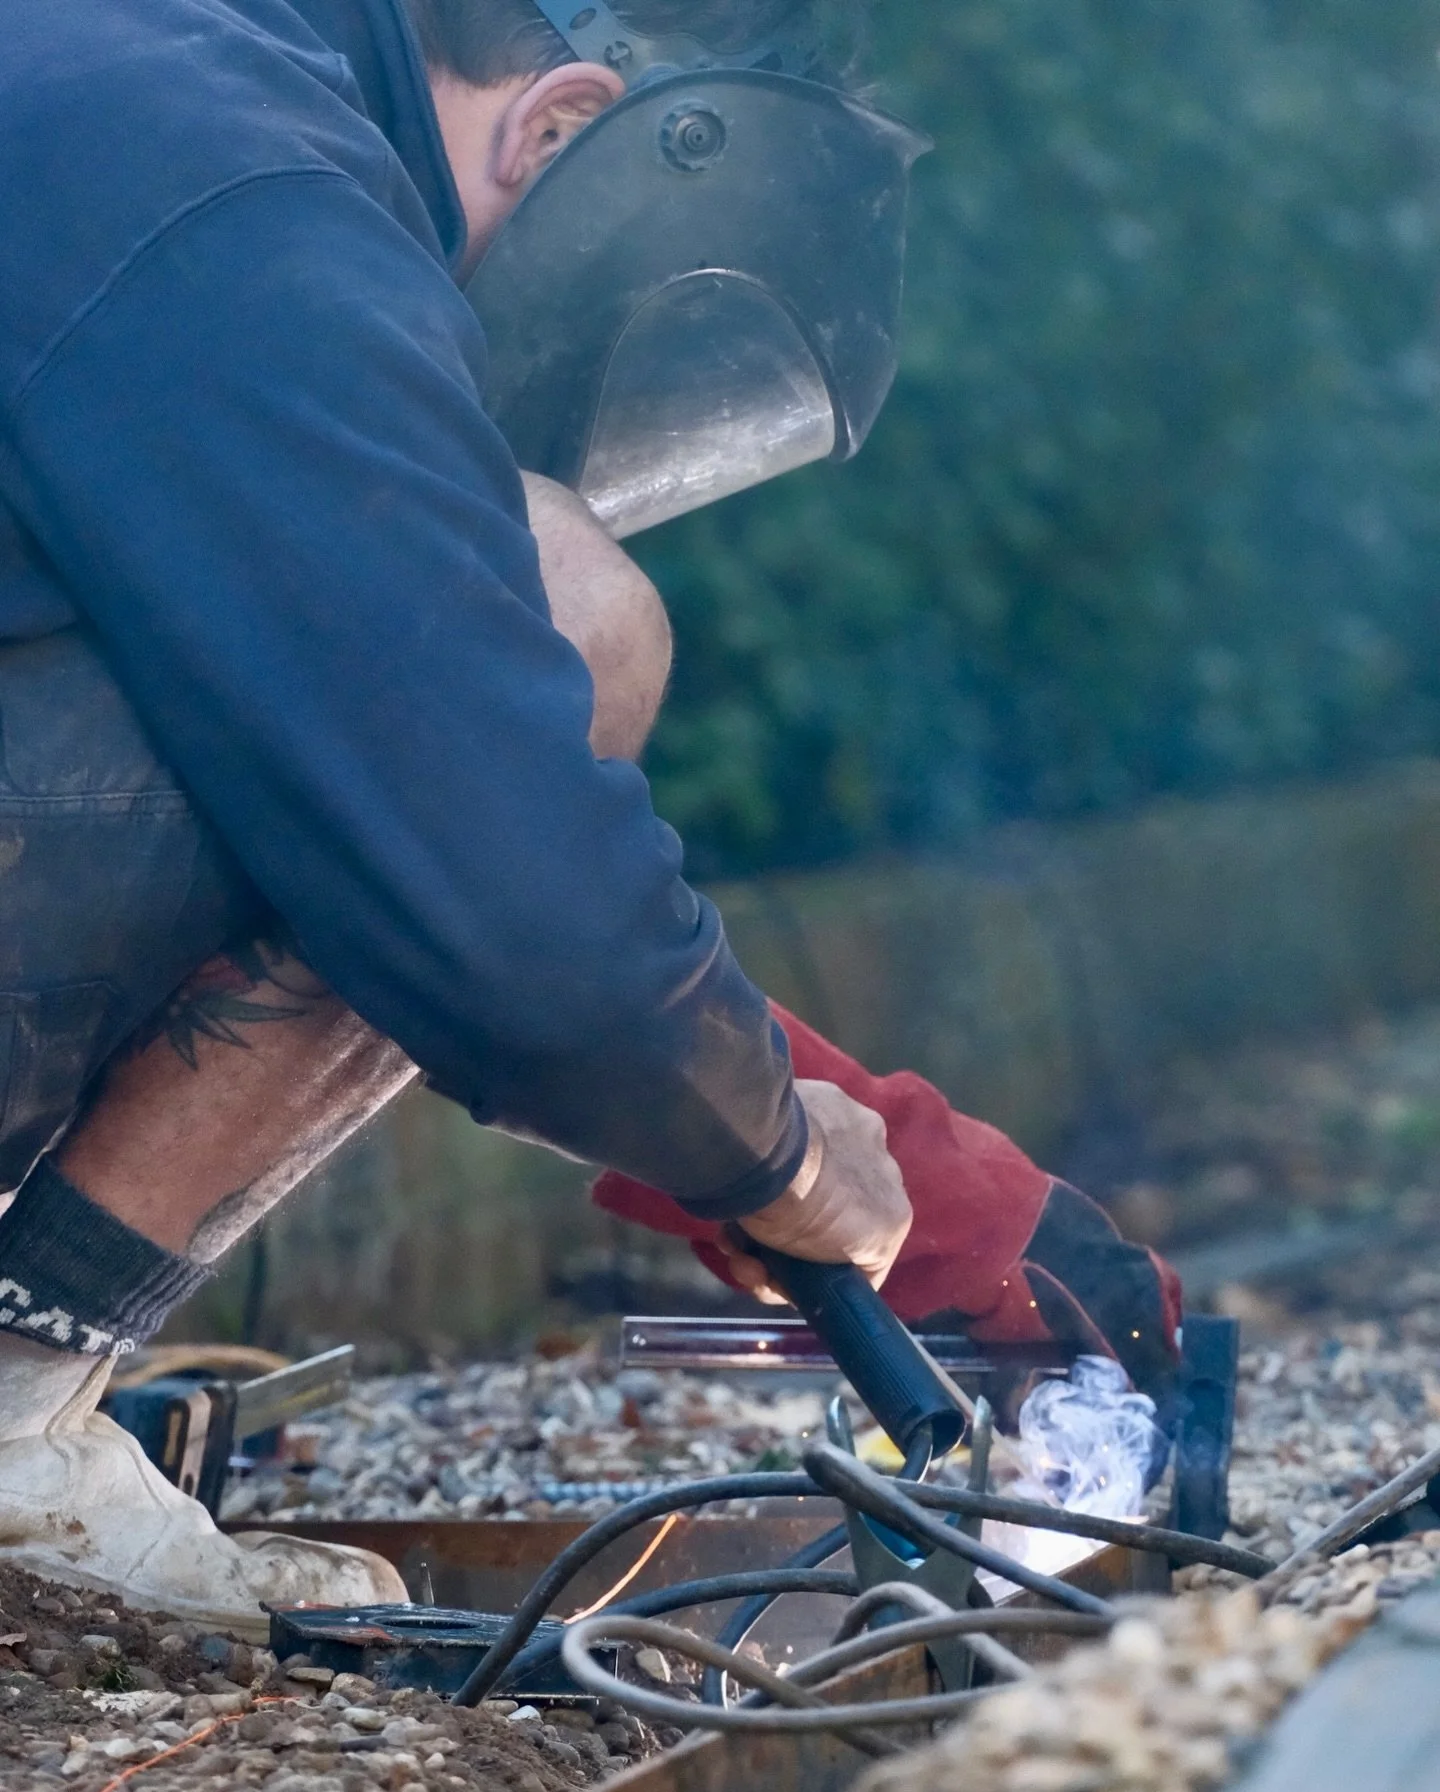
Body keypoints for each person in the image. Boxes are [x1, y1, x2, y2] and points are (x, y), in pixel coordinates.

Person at [0, 0, 1180, 1630]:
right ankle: (13, 1422)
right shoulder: (240, 183)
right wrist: (766, 1148)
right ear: (556, 128)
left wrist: (828, 1144)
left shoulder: (148, 74)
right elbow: (487, 881)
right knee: (562, 606)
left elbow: (448, 820)